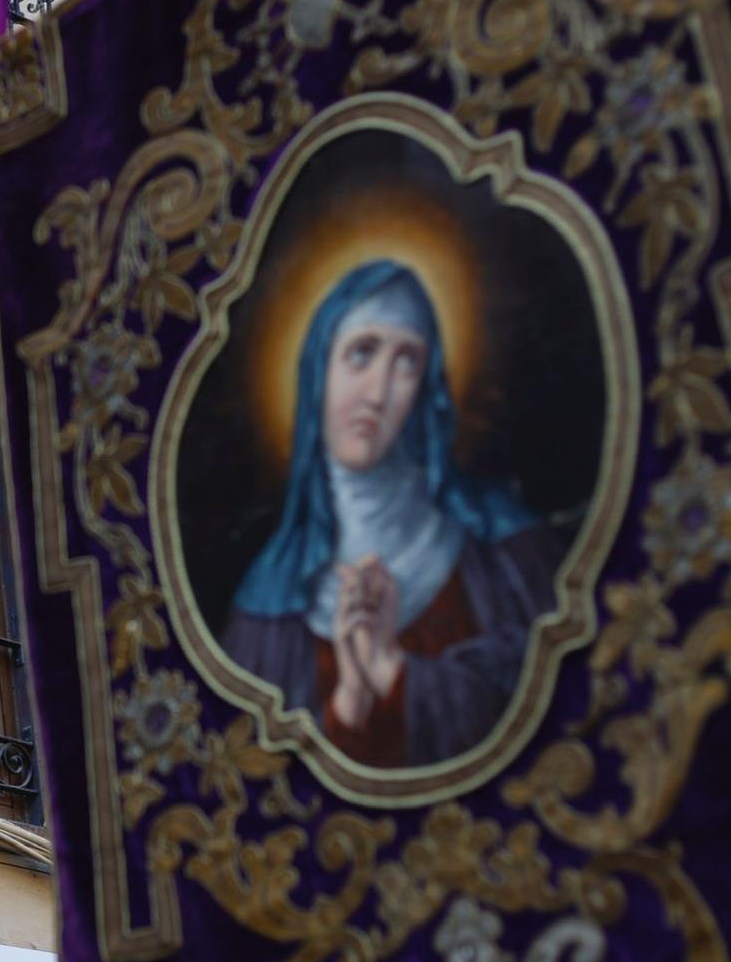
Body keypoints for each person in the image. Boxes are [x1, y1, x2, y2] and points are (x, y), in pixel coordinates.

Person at [221, 261, 564, 769]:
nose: (378, 393)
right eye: (361, 353)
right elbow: (249, 792)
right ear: (319, 373)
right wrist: (350, 701)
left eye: (406, 363)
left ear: (426, 389)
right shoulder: (266, 605)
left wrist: (393, 669)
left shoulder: (505, 546)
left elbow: (558, 715)